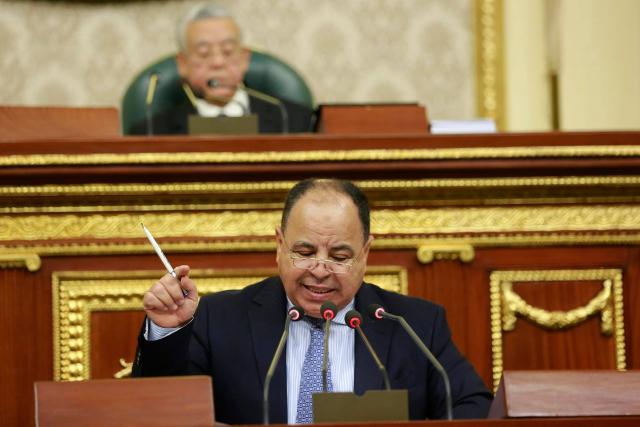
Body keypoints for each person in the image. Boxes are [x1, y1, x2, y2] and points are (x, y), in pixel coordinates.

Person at [132, 178, 492, 424]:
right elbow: (160, 411)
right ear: (279, 245)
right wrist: (167, 332)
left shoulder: (414, 324)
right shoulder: (221, 318)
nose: (320, 270)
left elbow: (474, 407)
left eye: (339, 256)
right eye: (304, 253)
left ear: (365, 253)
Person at [131, 3, 313, 135]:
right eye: (203, 53)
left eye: (228, 51)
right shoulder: (151, 132)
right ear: (182, 64)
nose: (218, 62)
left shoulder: (296, 122)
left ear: (244, 59)